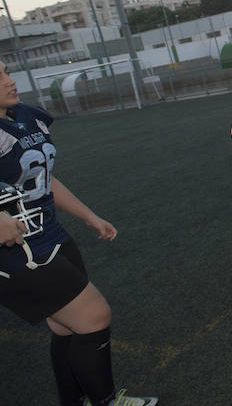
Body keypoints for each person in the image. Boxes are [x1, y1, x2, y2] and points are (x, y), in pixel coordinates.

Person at [0, 62, 157, 406]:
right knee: (94, 315)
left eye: (6, 71)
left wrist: (88, 215)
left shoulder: (25, 115)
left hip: (49, 232)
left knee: (66, 327)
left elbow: (43, 178)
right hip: (16, 248)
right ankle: (105, 401)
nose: (10, 80)